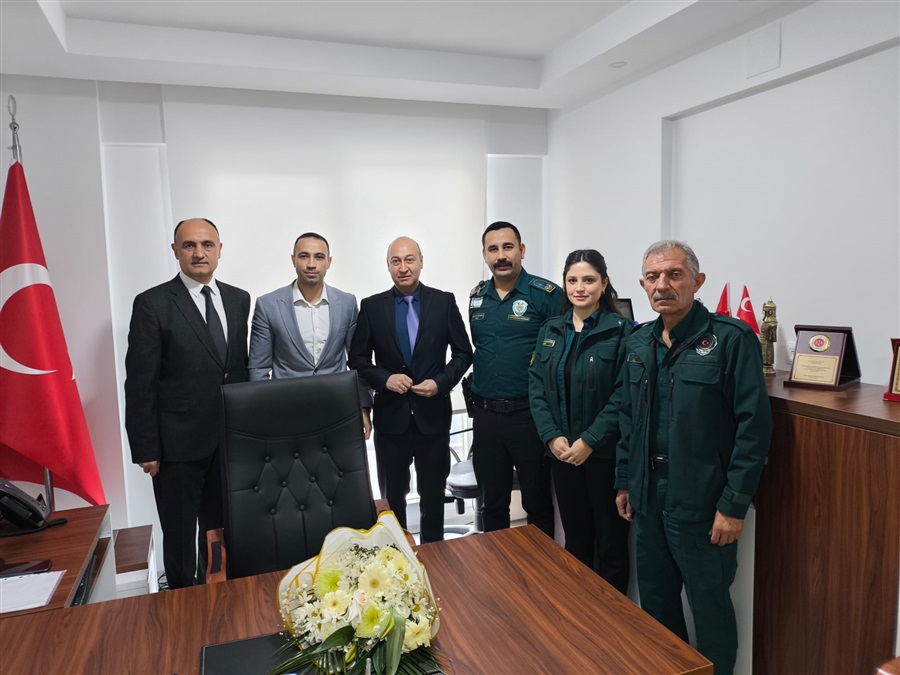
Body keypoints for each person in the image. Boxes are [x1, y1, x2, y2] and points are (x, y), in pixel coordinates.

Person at [615, 240, 772, 674]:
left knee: (710, 608)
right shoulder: (638, 341)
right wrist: (625, 480)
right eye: (653, 277)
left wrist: (733, 505)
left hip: (702, 502)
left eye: (674, 274)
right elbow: (629, 418)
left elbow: (754, 428)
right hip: (648, 498)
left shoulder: (730, 339)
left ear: (697, 281)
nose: (662, 285)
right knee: (657, 605)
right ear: (643, 285)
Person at [124, 218, 250, 589]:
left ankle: (223, 596)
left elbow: (238, 370)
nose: (199, 253)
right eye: (190, 245)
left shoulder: (239, 299)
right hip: (177, 445)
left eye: (207, 245)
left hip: (229, 442)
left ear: (220, 250)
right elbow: (141, 382)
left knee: (224, 531)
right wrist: (146, 447)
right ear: (176, 251)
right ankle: (182, 604)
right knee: (180, 536)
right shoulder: (153, 303)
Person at [348, 236, 472, 542]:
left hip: (433, 417)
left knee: (433, 496)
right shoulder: (372, 306)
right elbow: (358, 360)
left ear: (421, 261)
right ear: (388, 266)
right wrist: (384, 379)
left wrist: (441, 382)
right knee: (393, 499)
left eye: (409, 260)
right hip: (391, 419)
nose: (403, 268)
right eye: (396, 261)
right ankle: (397, 558)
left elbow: (463, 353)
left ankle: (435, 555)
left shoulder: (443, 302)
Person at [528, 249, 631, 593]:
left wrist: (589, 440)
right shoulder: (551, 329)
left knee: (611, 542)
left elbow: (623, 395)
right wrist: (551, 436)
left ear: (604, 283)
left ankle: (613, 615)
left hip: (603, 455)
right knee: (575, 539)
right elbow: (537, 386)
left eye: (588, 280)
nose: (580, 288)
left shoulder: (621, 332)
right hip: (562, 454)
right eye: (572, 280)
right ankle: (580, 609)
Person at [468, 221, 560, 537]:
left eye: (508, 247)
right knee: (492, 504)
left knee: (537, 503)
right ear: (484, 255)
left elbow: (560, 354)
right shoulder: (477, 297)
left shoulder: (545, 295)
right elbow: (479, 346)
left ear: (521, 250)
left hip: (529, 416)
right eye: (493, 249)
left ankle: (540, 565)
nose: (501, 256)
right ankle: (497, 565)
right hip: (486, 417)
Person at [248, 232, 372, 436]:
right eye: (304, 256)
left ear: (329, 262)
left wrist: (363, 406)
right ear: (293, 260)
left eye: (319, 257)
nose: (311, 264)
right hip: (285, 412)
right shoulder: (268, 305)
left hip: (338, 409)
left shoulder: (347, 303)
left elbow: (358, 362)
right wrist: (263, 413)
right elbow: (258, 367)